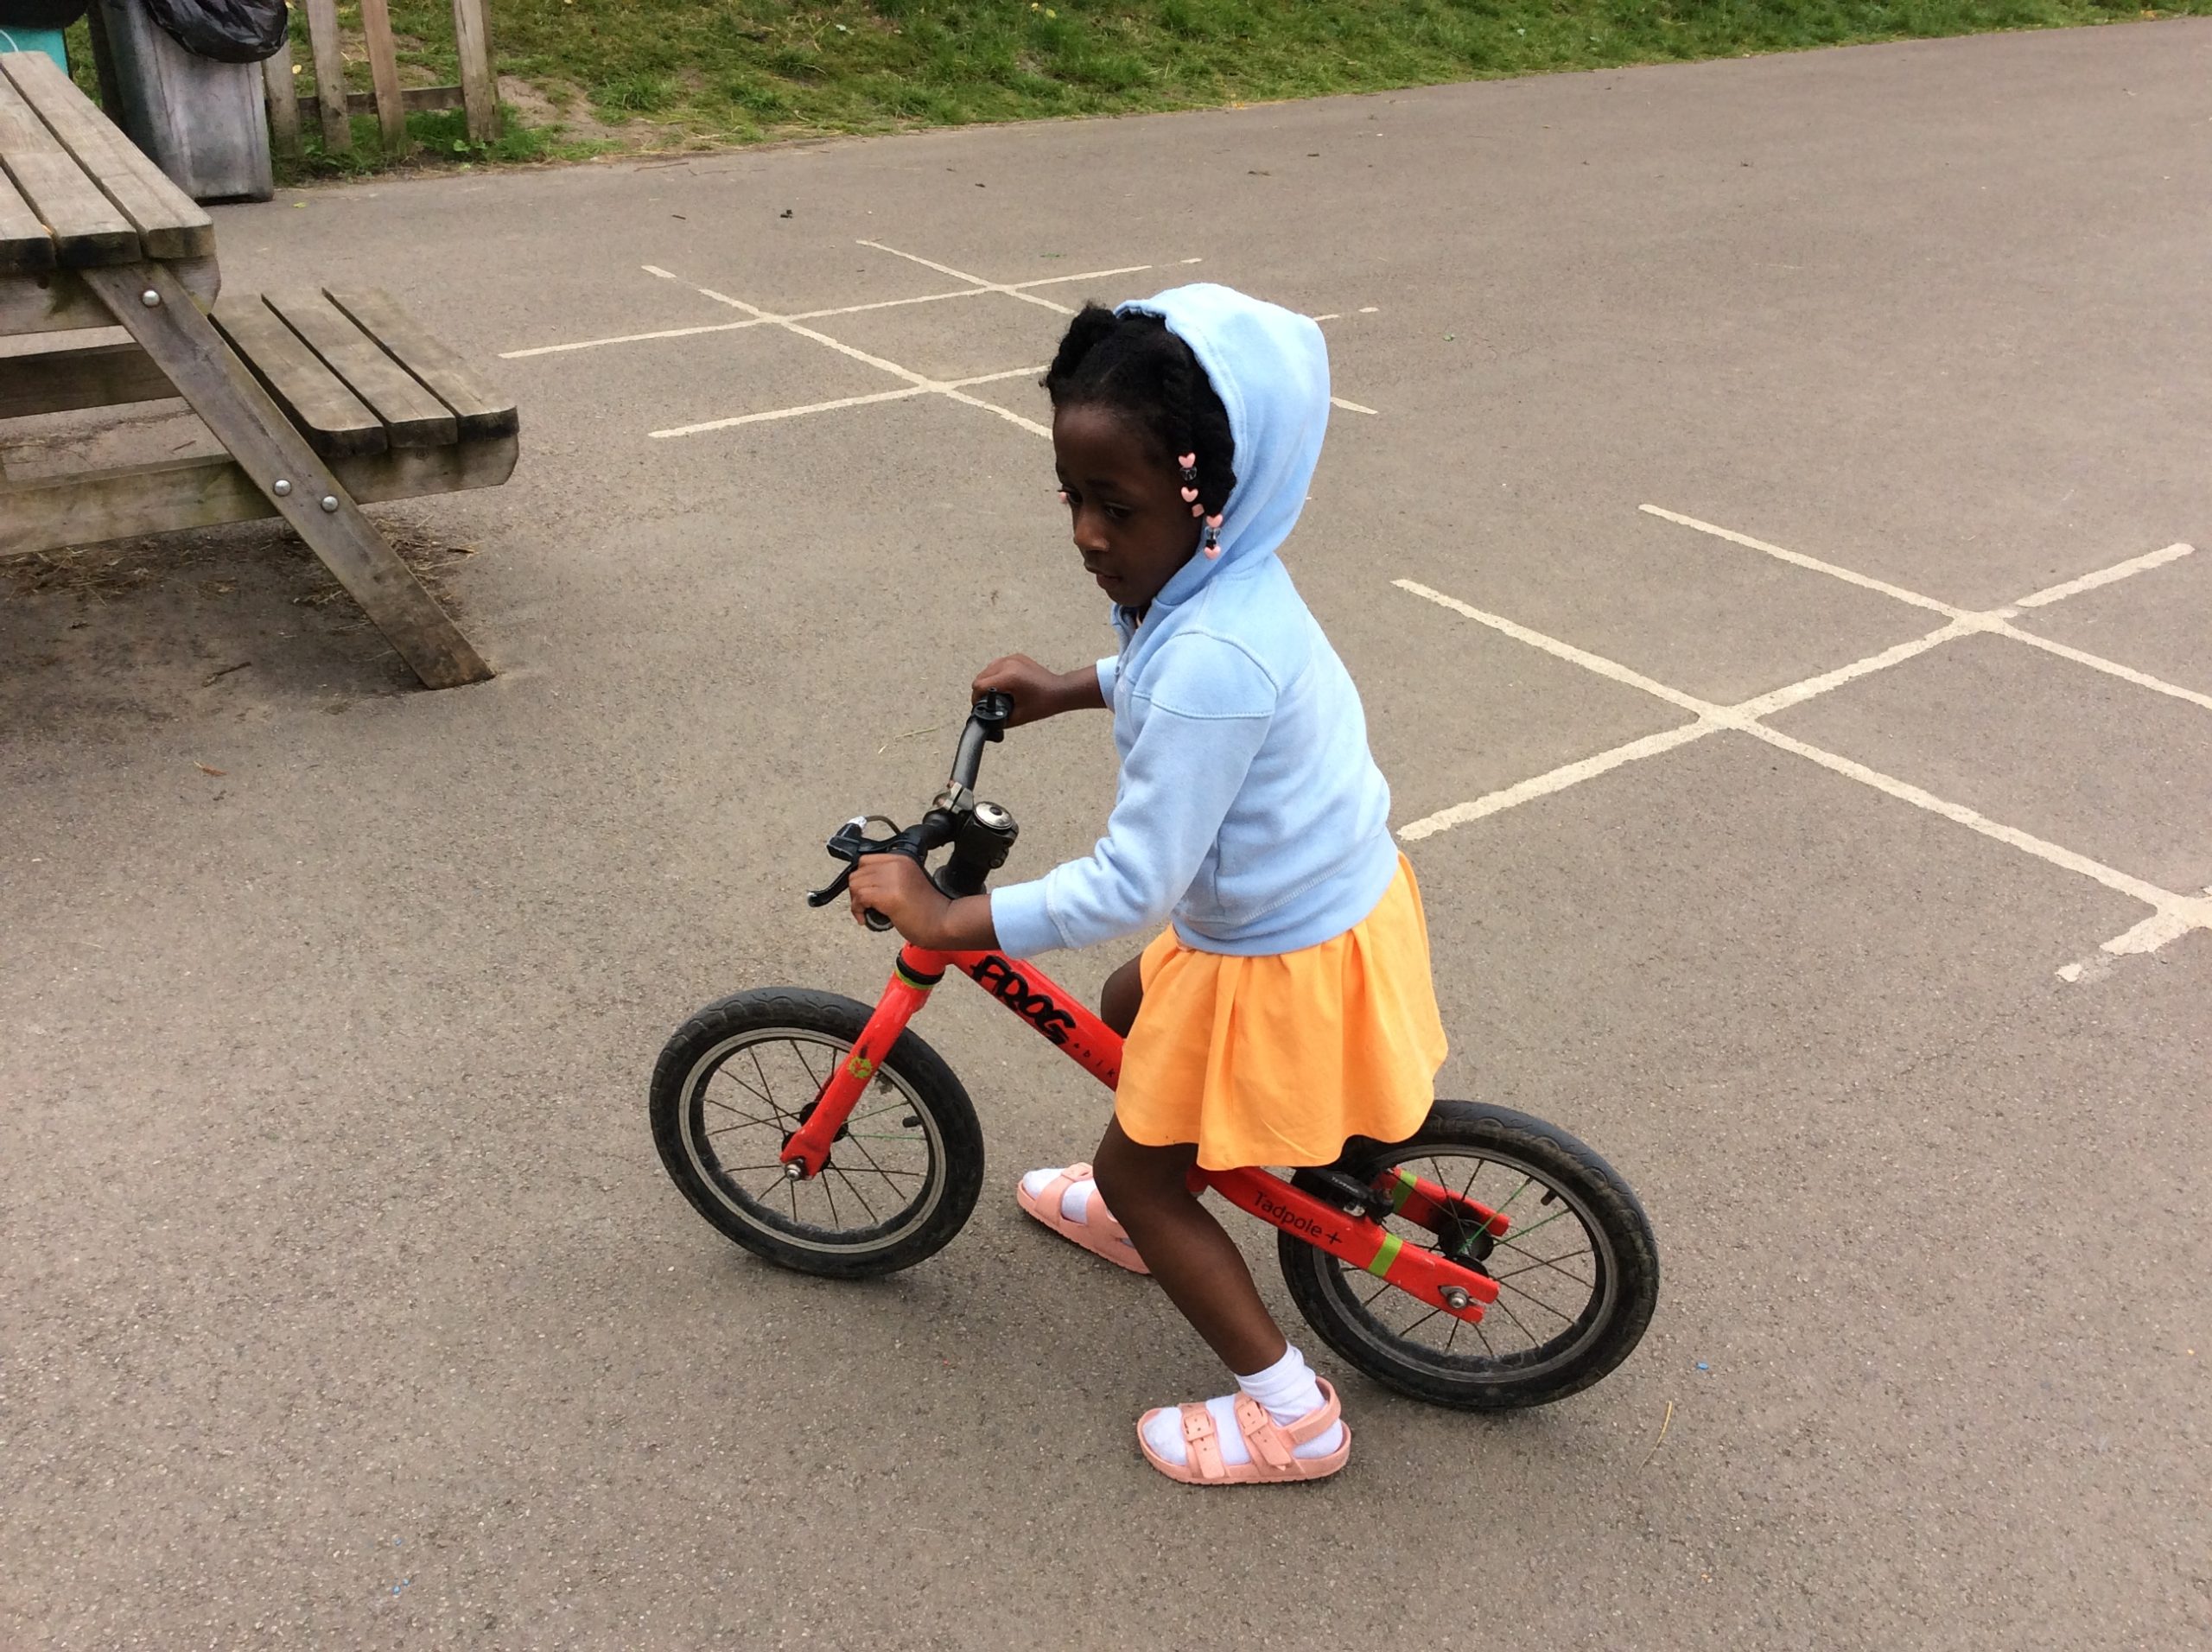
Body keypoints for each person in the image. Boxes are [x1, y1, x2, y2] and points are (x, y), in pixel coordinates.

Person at [847, 283, 1447, 1486]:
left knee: (1139, 1166)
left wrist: (950, 915)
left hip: (1274, 950)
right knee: (1130, 1004)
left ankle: (1293, 1418)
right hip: (1322, 908)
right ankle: (1147, 1199)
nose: (1085, 533)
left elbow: (1130, 882)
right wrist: (1069, 686)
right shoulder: (1229, 586)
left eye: (1114, 506)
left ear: (1207, 499)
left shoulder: (1211, 661)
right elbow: (1161, 659)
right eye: (1070, 497)